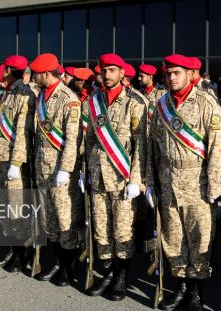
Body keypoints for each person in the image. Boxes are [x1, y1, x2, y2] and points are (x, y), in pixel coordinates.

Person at [146, 54, 221, 311]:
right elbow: (153, 148)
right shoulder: (161, 105)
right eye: (168, 73)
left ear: (190, 74)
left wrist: (214, 187)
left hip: (197, 186)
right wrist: (150, 182)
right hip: (168, 184)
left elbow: (216, 151)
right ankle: (179, 289)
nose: (171, 78)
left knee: (199, 241)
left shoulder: (207, 104)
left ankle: (197, 294)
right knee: (173, 240)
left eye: (176, 73)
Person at [81, 54, 147, 301]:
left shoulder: (135, 101)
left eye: (111, 70)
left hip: (122, 179)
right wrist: (87, 171)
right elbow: (89, 140)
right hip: (98, 177)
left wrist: (136, 180)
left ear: (122, 72)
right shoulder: (94, 101)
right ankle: (107, 273)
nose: (106, 75)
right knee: (101, 230)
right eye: (103, 71)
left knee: (122, 231)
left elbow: (141, 145)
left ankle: (121, 278)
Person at [30, 53, 83, 286]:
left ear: (45, 74)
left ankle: (69, 268)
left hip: (61, 171)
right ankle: (58, 263)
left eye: (35, 74)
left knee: (65, 221)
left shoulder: (68, 99)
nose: (33, 77)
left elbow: (73, 139)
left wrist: (66, 168)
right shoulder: (43, 96)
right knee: (48, 220)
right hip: (43, 168)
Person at [0, 55, 35, 270]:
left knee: (15, 209)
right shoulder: (8, 93)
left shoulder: (24, 94)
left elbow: (22, 132)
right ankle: (11, 250)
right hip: (0, 158)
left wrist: (16, 163)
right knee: (3, 207)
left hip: (12, 161)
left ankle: (20, 254)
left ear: (8, 70)